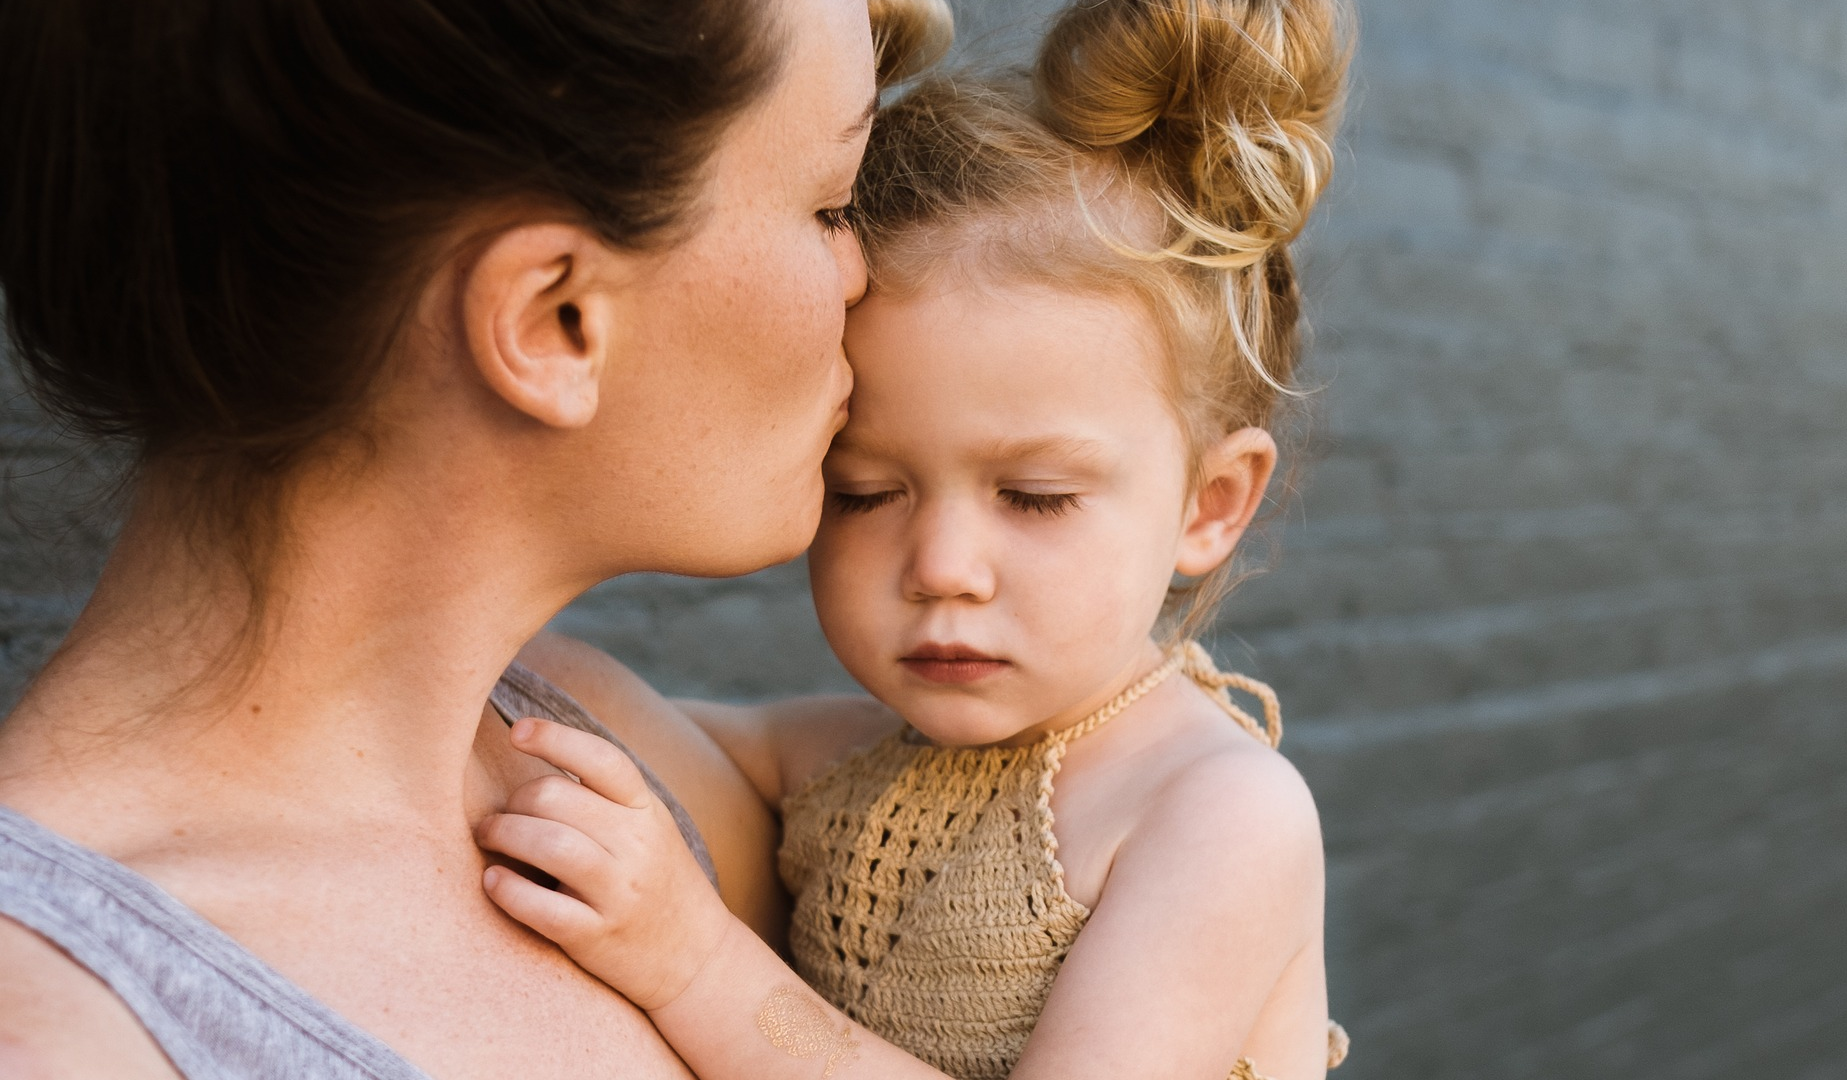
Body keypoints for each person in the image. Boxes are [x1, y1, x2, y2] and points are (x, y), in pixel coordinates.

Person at [0, 0, 949, 1076]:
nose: (863, 274)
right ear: (556, 320)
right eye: (831, 205)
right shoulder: (58, 1032)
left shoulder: (611, 755)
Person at [472, 1, 1355, 1077]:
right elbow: (606, 724)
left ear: (1211, 503)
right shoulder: (844, 762)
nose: (941, 566)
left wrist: (695, 962)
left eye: (1032, 497)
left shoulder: (1214, 814)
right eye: (865, 492)